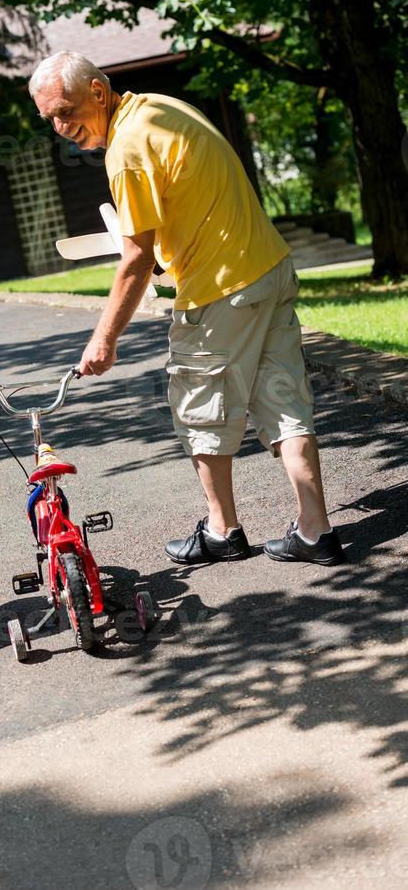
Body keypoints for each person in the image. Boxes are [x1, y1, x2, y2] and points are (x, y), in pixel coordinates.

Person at [29, 51, 346, 566]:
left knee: (200, 412)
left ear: (97, 92)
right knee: (285, 404)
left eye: (67, 110)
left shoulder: (127, 149)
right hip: (268, 268)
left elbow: (136, 257)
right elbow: (180, 215)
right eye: (52, 120)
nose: (63, 127)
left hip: (220, 292)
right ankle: (316, 532)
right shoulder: (160, 108)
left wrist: (103, 338)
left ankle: (222, 532)